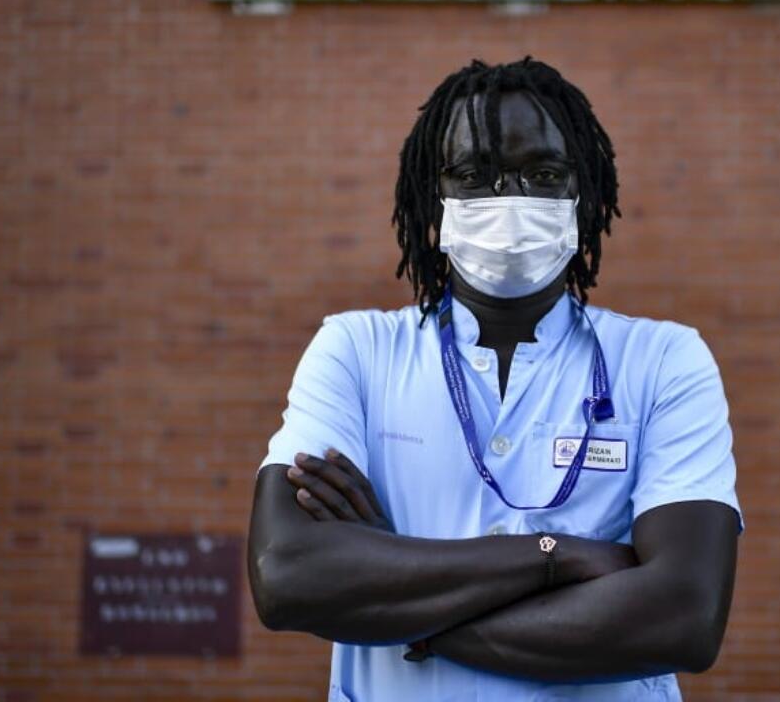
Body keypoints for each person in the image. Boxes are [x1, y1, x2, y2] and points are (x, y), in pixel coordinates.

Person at [247, 56, 744, 701]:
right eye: (473, 177)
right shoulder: (356, 350)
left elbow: (684, 617)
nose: (509, 200)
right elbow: (286, 575)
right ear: (435, 197)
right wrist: (555, 556)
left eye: (543, 174)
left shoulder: (663, 360)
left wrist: (405, 604)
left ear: (582, 193)